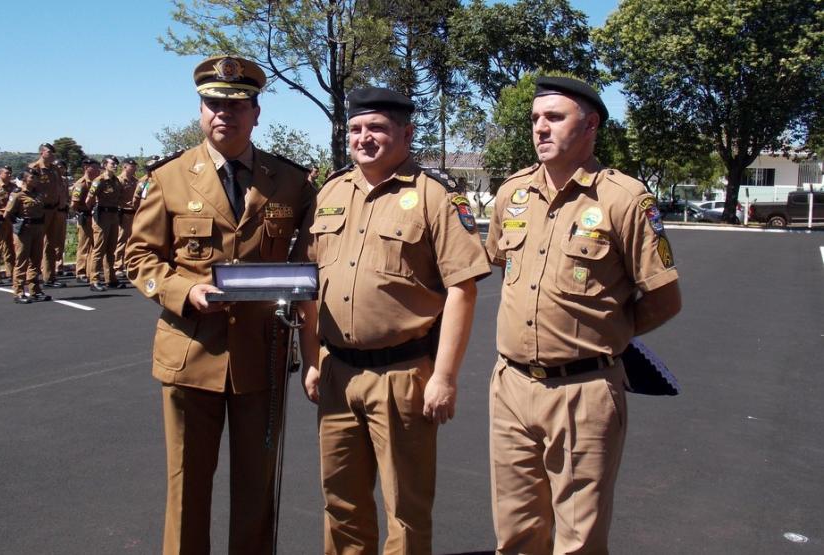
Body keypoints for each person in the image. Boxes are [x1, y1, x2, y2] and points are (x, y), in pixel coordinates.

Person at [484, 76, 682, 554]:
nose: (540, 128)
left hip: (583, 391)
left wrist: (605, 332)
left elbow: (663, 297)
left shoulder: (624, 199)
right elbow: (498, 259)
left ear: (591, 124)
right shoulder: (512, 194)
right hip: (511, 386)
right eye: (535, 119)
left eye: (554, 117)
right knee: (515, 533)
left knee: (578, 540)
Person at [125, 55, 314, 555]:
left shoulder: (291, 182)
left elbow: (313, 256)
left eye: (235, 105)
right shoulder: (167, 178)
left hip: (264, 355)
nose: (222, 114)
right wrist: (181, 291)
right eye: (212, 104)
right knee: (187, 487)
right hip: (189, 353)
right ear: (200, 110)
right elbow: (138, 258)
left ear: (256, 113)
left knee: (258, 487)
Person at [296, 87, 491, 554]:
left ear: (406, 133)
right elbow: (307, 281)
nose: (364, 138)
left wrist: (444, 376)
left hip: (403, 376)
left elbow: (463, 288)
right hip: (338, 372)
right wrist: (311, 358)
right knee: (341, 501)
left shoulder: (436, 197)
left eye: (377, 128)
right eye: (357, 129)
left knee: (405, 506)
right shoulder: (330, 193)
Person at [5, 167, 51, 304]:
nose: (35, 180)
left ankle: (35, 290)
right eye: (32, 177)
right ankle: (18, 292)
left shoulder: (39, 193)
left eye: (36, 177)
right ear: (25, 179)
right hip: (24, 230)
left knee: (36, 261)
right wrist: (17, 226)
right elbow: (7, 214)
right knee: (21, 261)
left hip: (38, 229)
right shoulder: (18, 194)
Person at [29, 143, 66, 288]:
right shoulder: (34, 168)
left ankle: (49, 277)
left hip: (54, 210)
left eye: (53, 153)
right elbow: (26, 188)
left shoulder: (55, 169)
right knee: (38, 244)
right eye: (49, 152)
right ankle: (33, 276)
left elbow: (59, 187)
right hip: (40, 211)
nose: (52, 155)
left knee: (51, 244)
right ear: (41, 153)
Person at [85, 155, 122, 291]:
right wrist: (93, 214)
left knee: (111, 250)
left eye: (116, 164)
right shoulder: (99, 180)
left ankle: (111, 279)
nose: (115, 166)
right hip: (102, 216)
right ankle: (94, 280)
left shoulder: (116, 180)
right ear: (104, 165)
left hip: (113, 215)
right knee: (99, 249)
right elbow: (89, 200)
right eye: (112, 163)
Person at [70, 158, 100, 283]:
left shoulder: (97, 182)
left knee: (94, 245)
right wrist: (80, 214)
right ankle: (81, 272)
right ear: (86, 168)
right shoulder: (81, 184)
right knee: (84, 245)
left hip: (95, 216)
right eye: (94, 167)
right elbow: (73, 204)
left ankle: (90, 271)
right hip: (85, 216)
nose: (97, 170)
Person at [114, 158, 139, 278]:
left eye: (135, 166)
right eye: (131, 166)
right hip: (123, 213)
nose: (134, 168)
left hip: (134, 213)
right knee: (121, 240)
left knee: (132, 241)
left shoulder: (135, 181)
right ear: (125, 167)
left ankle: (129, 264)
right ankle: (118, 265)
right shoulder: (119, 180)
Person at [53, 159, 70, 277]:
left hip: (63, 212)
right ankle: (48, 268)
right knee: (50, 242)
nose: (61, 169)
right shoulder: (50, 181)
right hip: (53, 212)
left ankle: (59, 266)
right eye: (58, 167)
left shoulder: (65, 181)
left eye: (63, 167)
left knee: (60, 241)